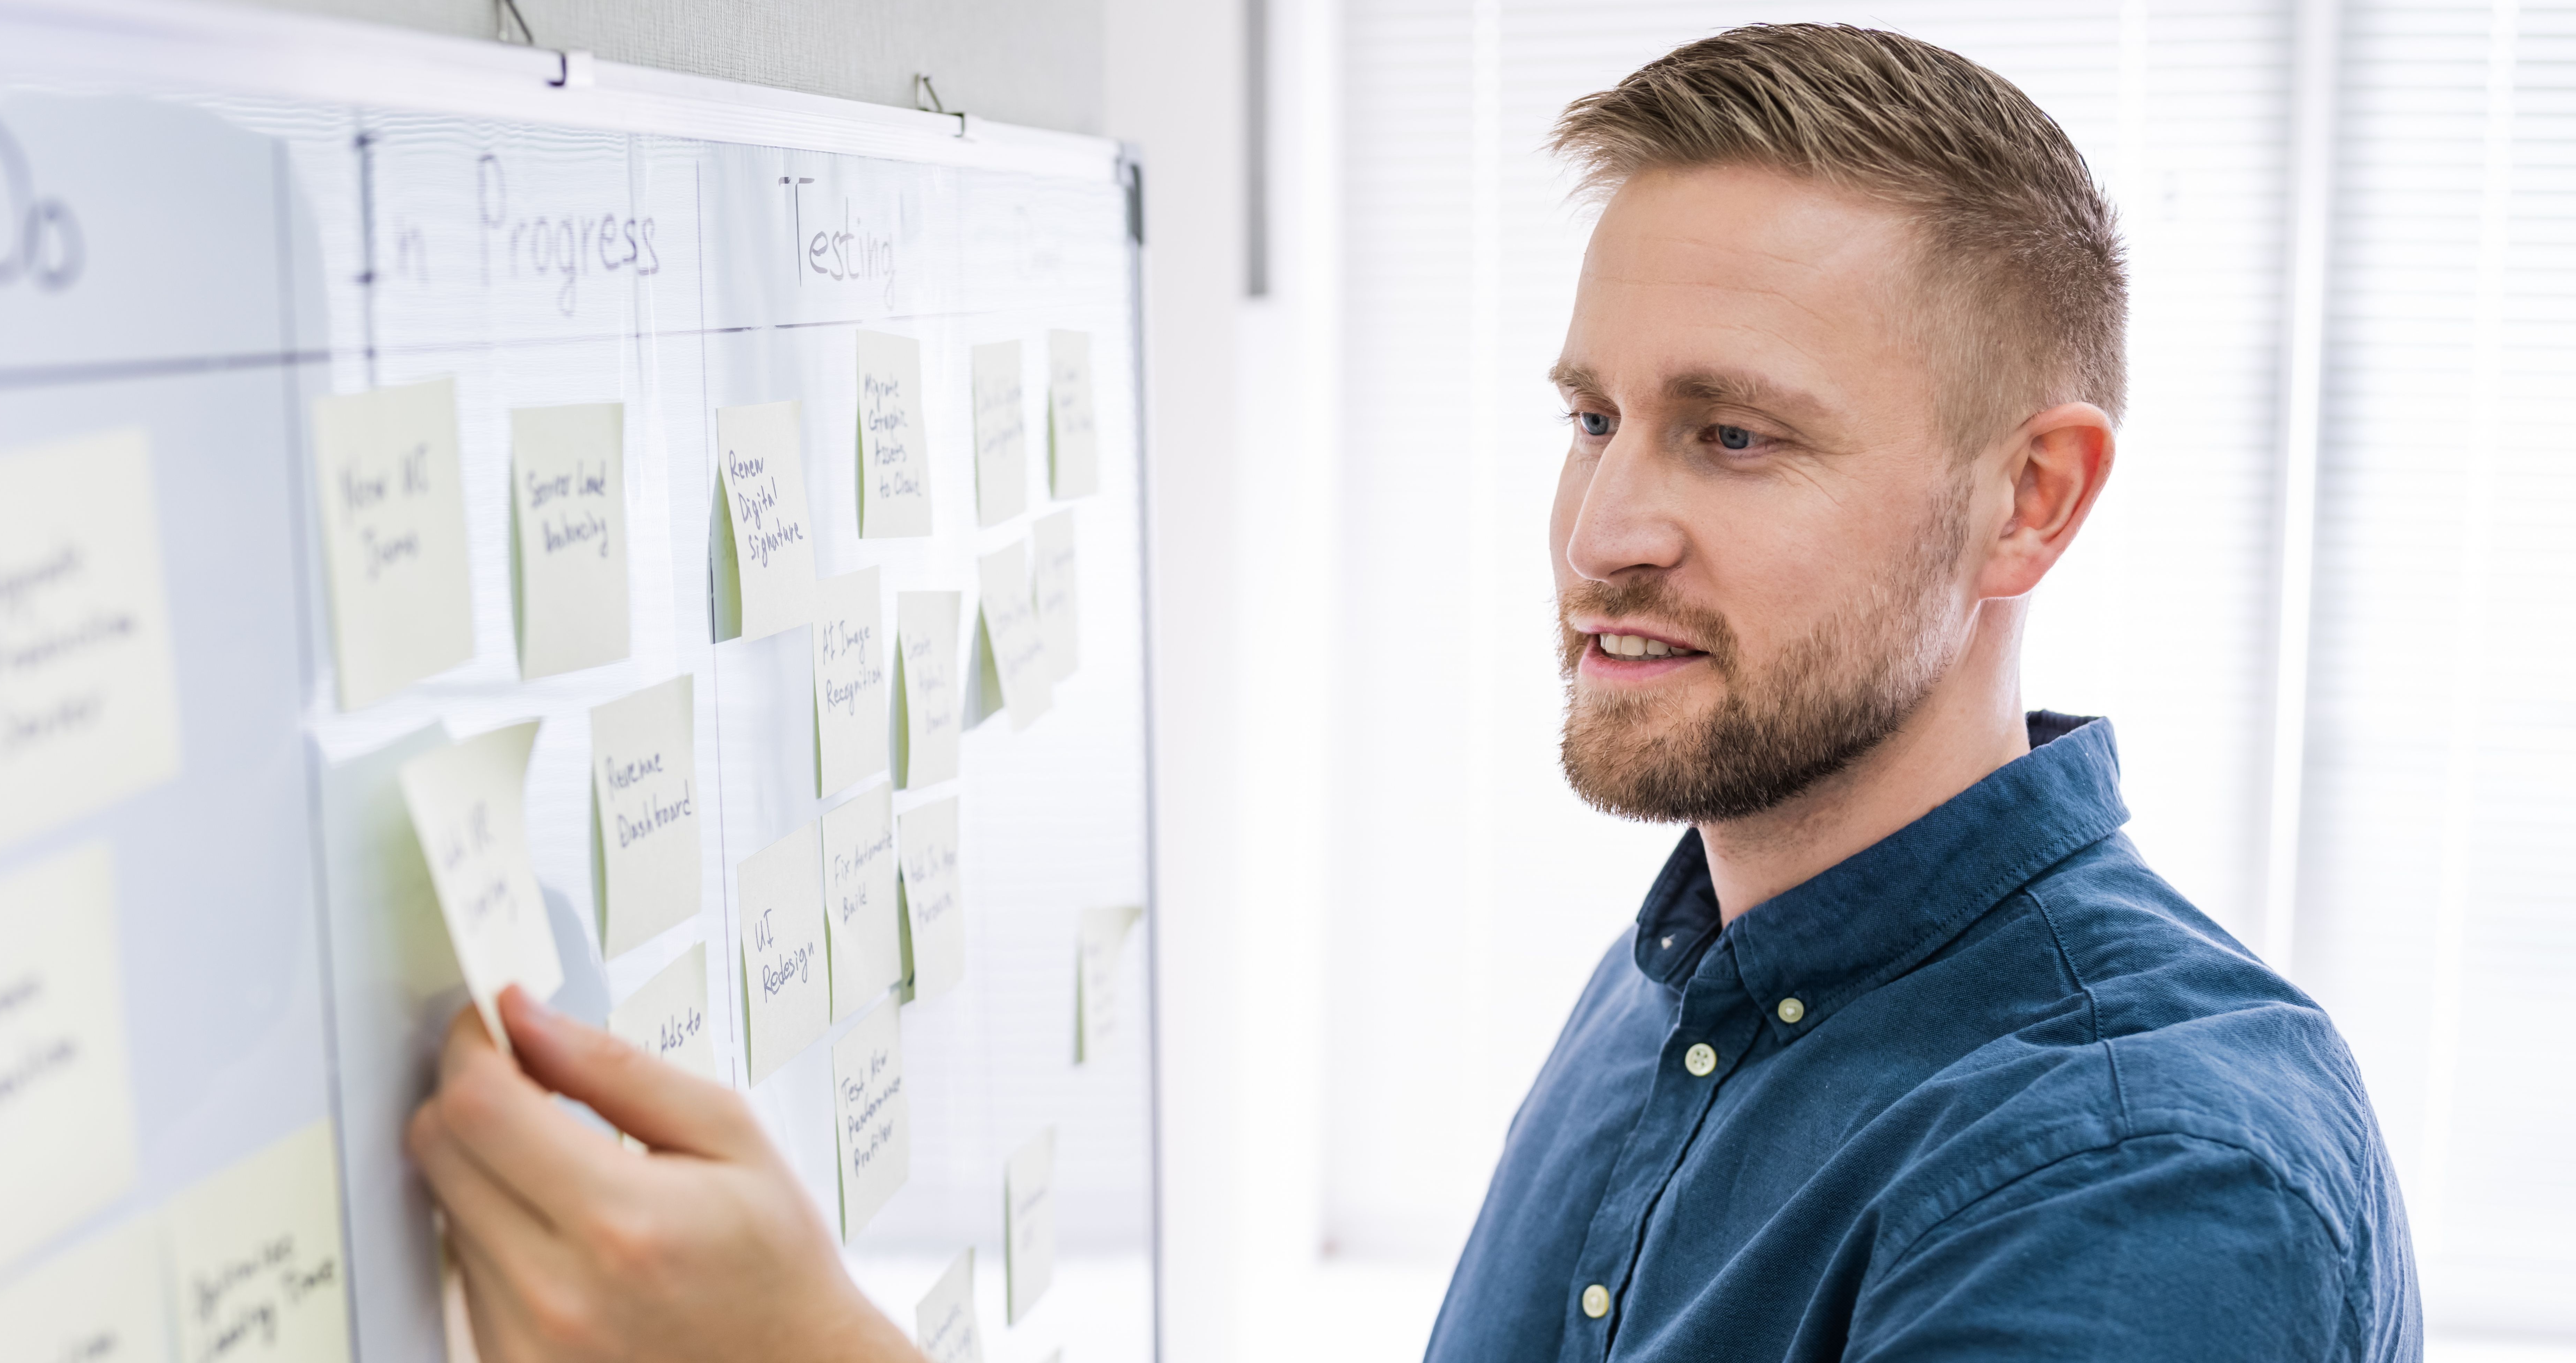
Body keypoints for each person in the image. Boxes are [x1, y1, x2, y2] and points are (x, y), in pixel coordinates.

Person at [407, 23, 2420, 1361]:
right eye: (1593, 416)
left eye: (1733, 437)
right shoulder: (1697, 968)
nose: (1603, 529)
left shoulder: (2137, 1169)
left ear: (2029, 500)